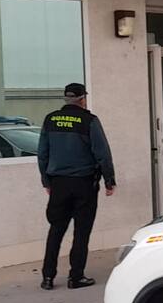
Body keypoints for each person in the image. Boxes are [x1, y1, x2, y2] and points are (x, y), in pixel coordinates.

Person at [37, 83, 116, 290]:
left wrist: (46, 181)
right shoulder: (89, 120)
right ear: (82, 99)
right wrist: (109, 180)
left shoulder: (50, 119)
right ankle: (76, 277)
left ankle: (47, 277)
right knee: (81, 232)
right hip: (84, 184)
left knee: (56, 230)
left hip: (58, 183)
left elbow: (42, 153)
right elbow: (102, 153)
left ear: (66, 98)